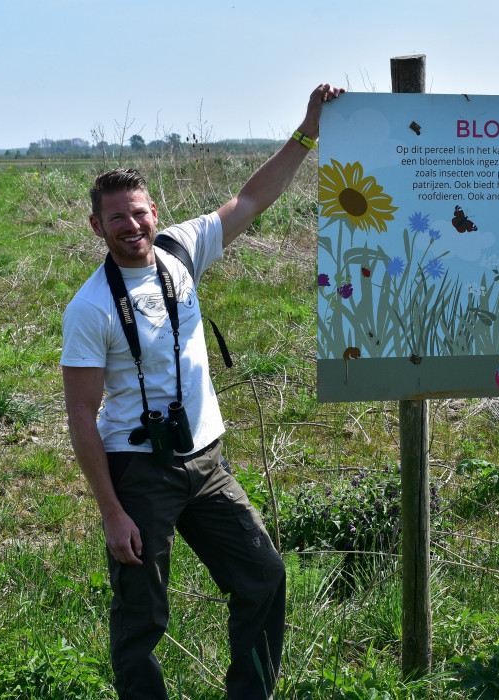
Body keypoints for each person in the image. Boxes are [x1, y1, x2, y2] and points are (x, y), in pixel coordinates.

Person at [61, 83, 344, 699]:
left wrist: (307, 131)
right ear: (96, 226)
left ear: (154, 211)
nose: (131, 225)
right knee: (143, 616)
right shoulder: (89, 308)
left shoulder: (180, 250)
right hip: (139, 471)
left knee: (264, 578)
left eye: (139, 212)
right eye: (116, 217)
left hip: (207, 461)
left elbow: (251, 199)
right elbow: (81, 413)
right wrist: (112, 511)